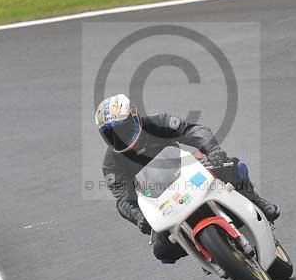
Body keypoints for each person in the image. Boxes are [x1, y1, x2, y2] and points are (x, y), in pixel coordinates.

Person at [95, 93, 281, 264]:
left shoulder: (157, 122)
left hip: (188, 172)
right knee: (162, 250)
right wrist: (138, 217)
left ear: (134, 118)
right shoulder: (111, 163)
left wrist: (213, 150)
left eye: (123, 129)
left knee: (231, 166)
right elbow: (123, 199)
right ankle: (206, 249)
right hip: (159, 200)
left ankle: (256, 200)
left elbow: (193, 130)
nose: (120, 137)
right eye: (111, 134)